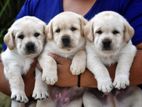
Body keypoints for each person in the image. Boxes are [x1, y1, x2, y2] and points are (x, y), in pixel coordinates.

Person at [0, 0, 142, 98]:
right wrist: (26, 86)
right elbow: (6, 61)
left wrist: (78, 78)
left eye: (74, 29)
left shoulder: (129, 3)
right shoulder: (37, 3)